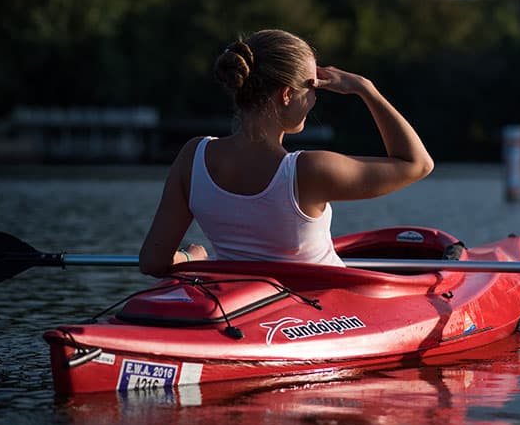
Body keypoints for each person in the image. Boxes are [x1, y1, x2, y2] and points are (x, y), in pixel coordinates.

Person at [139, 29, 434, 275]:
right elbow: (418, 163)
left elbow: (153, 262)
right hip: (320, 316)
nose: (316, 97)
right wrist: (365, 89)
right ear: (287, 95)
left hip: (245, 309)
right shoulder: (309, 170)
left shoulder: (193, 157)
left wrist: (192, 259)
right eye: (313, 86)